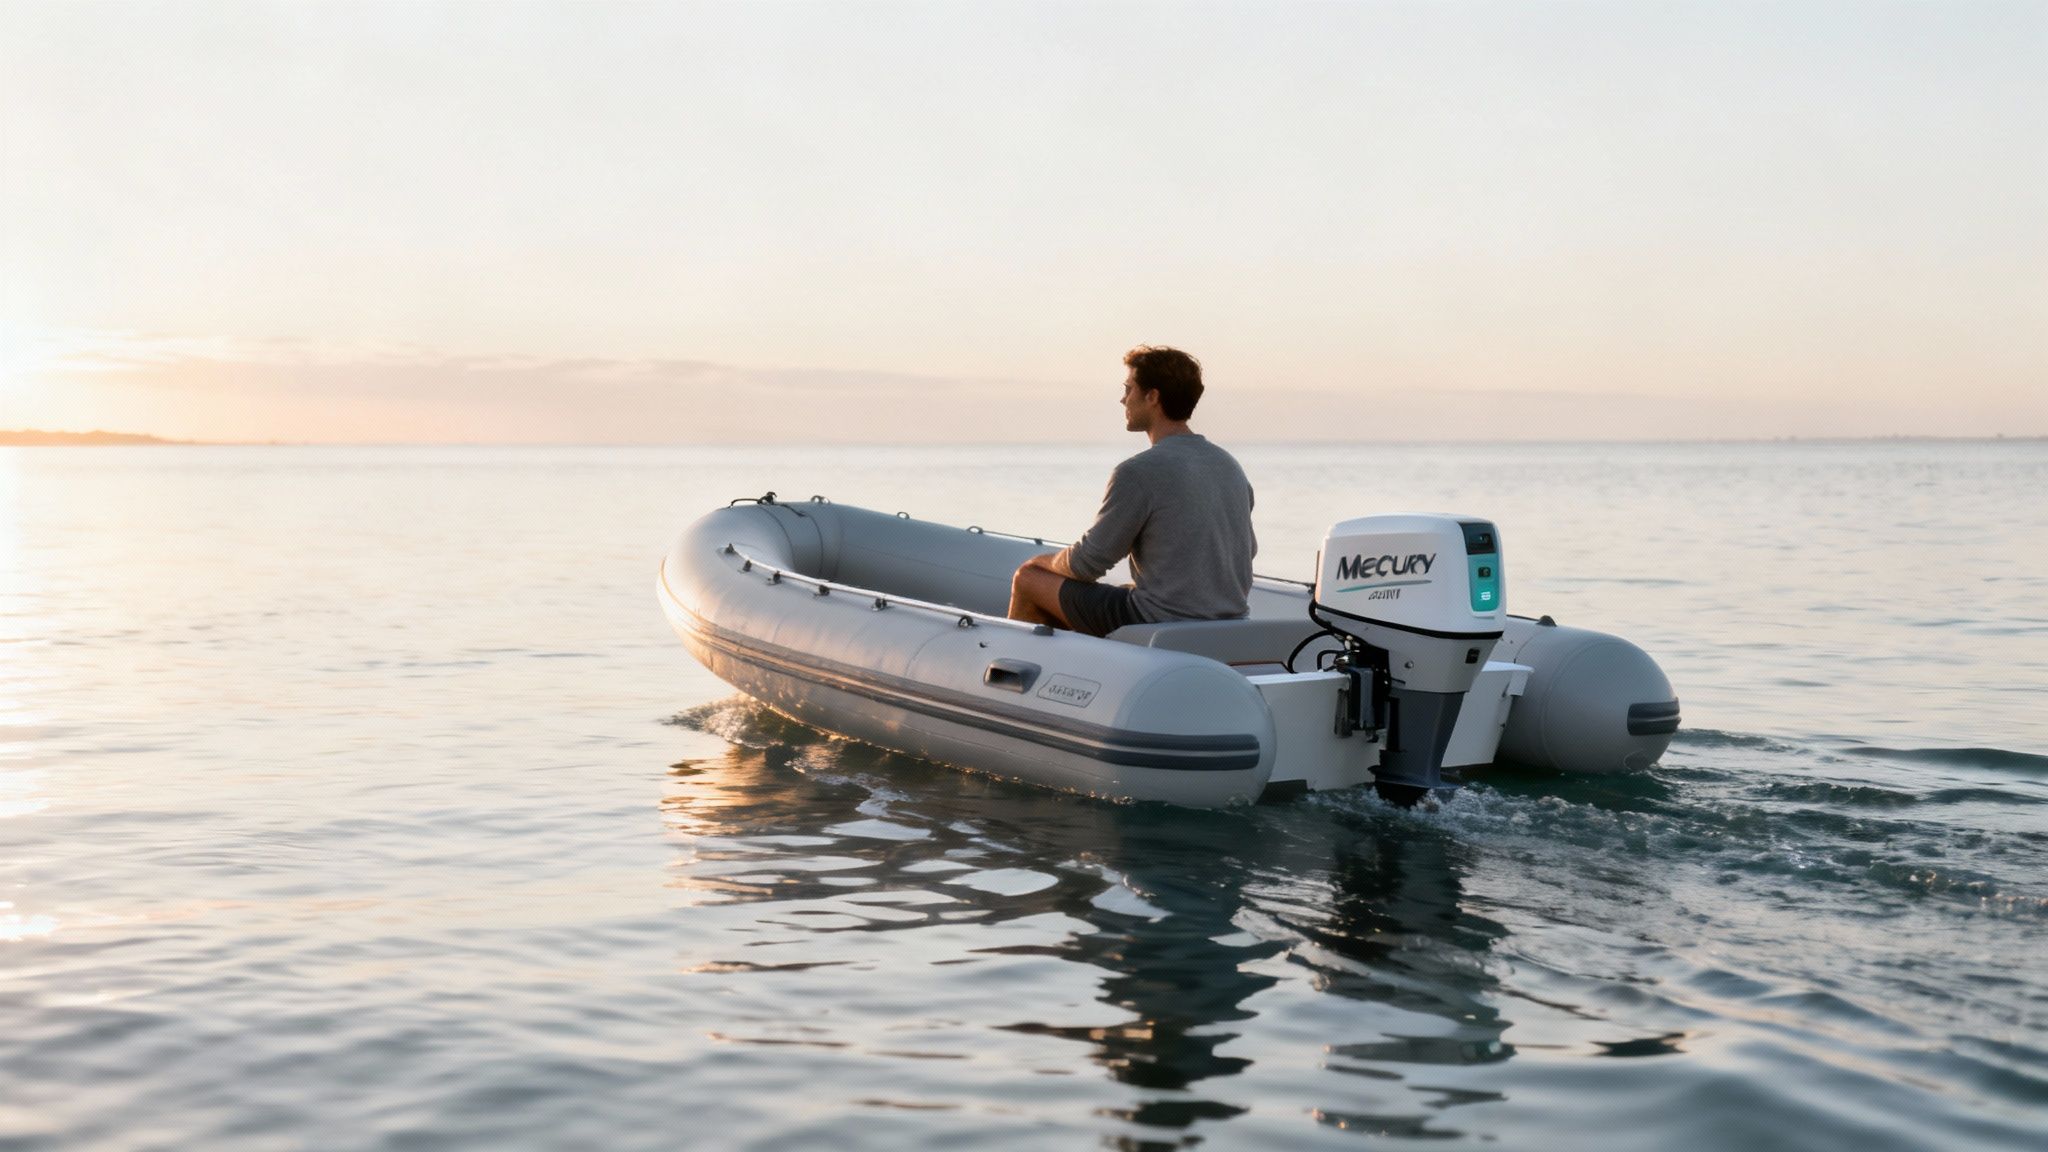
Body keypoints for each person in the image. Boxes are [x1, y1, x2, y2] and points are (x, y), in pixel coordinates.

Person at [1008, 345, 1256, 637]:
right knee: (1108, 595)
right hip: (1229, 623)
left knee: (1029, 578)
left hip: (1158, 623)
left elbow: (1087, 564)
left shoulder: (1138, 472)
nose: (1123, 398)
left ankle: (1006, 677)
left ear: (1152, 397)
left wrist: (1043, 562)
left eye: (1129, 389)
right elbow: (1248, 551)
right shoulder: (1229, 466)